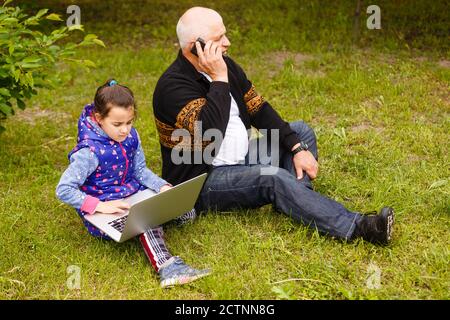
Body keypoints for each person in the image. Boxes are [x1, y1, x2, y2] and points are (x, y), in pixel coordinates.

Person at [152, 7, 394, 246]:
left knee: (299, 132)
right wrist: (218, 79)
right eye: (219, 39)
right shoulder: (173, 87)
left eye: (225, 34)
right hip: (203, 180)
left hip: (241, 157)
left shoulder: (226, 66)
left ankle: (296, 201)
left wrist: (297, 148)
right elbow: (210, 132)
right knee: (273, 178)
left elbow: (258, 109)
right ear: (196, 46)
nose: (227, 42)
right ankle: (359, 227)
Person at [56, 79, 210, 288]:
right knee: (145, 221)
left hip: (132, 196)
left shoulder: (131, 137)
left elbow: (140, 171)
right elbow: (63, 189)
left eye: (129, 122)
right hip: (104, 212)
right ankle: (168, 268)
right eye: (117, 124)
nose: (124, 130)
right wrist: (101, 206)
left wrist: (161, 186)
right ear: (99, 118)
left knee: (186, 212)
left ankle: (152, 220)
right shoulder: (88, 152)